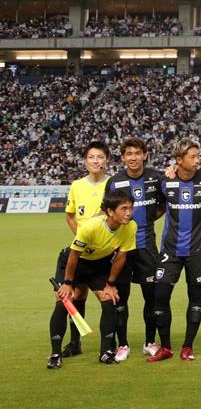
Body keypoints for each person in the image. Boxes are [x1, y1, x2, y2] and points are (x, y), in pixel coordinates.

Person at [48, 190, 136, 369]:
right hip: (74, 263)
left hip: (98, 265)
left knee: (109, 299)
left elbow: (121, 257)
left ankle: (105, 351)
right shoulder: (90, 227)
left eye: (130, 208)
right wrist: (68, 284)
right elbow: (73, 255)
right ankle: (55, 354)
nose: (129, 213)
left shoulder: (131, 226)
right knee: (64, 302)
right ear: (110, 211)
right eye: (124, 208)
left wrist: (110, 284)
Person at [148, 139, 201, 362]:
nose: (197, 160)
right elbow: (159, 208)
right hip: (170, 249)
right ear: (179, 160)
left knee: (195, 296)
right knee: (160, 296)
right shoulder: (164, 181)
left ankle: (188, 346)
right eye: (193, 157)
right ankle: (166, 347)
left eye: (198, 156)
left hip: (198, 250)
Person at [104, 137, 166, 361]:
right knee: (121, 299)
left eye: (137, 153)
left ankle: (150, 342)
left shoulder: (156, 178)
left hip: (146, 246)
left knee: (151, 297)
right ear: (123, 157)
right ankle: (123, 344)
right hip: (121, 248)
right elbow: (106, 212)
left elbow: (163, 205)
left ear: (145, 155)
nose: (133, 158)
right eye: (129, 154)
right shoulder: (114, 182)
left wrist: (147, 221)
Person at [60, 141, 111, 358]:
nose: (95, 161)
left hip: (105, 252)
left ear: (107, 160)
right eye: (91, 157)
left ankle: (110, 343)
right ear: (85, 161)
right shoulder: (77, 185)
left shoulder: (113, 184)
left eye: (100, 157)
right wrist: (81, 240)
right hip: (82, 252)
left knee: (107, 297)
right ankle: (75, 342)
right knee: (78, 295)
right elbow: (70, 216)